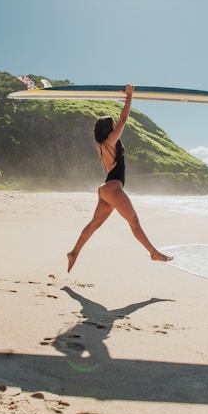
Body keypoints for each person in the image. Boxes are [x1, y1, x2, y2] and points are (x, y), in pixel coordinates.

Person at [67, 84, 173, 273]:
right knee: (134, 222)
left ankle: (74, 252)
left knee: (94, 224)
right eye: (113, 124)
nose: (116, 125)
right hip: (113, 189)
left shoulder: (103, 145)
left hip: (105, 189)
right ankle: (153, 253)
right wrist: (129, 96)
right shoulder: (109, 142)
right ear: (109, 128)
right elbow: (124, 119)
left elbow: (121, 122)